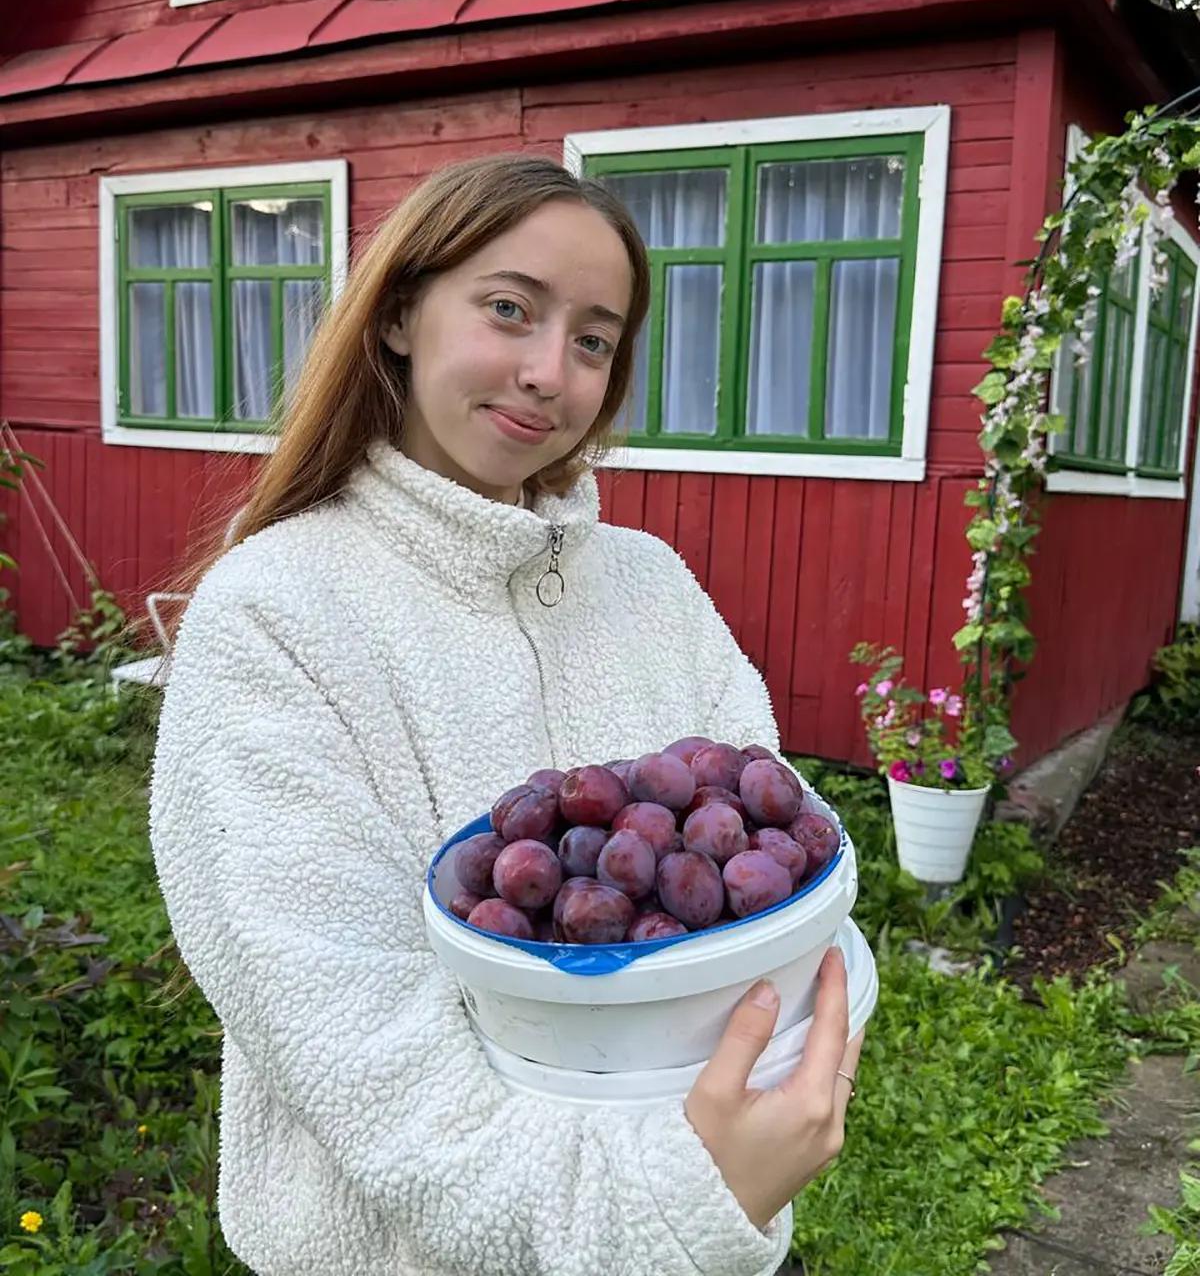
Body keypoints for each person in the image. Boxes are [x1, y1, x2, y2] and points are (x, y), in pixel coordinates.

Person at [149, 154, 864, 1276]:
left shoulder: (650, 583)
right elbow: (349, 1035)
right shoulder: (277, 610)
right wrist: (664, 1214)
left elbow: (770, 875)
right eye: (508, 309)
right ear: (397, 313)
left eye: (592, 339)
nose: (547, 372)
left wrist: (789, 1081)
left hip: (720, 1220)